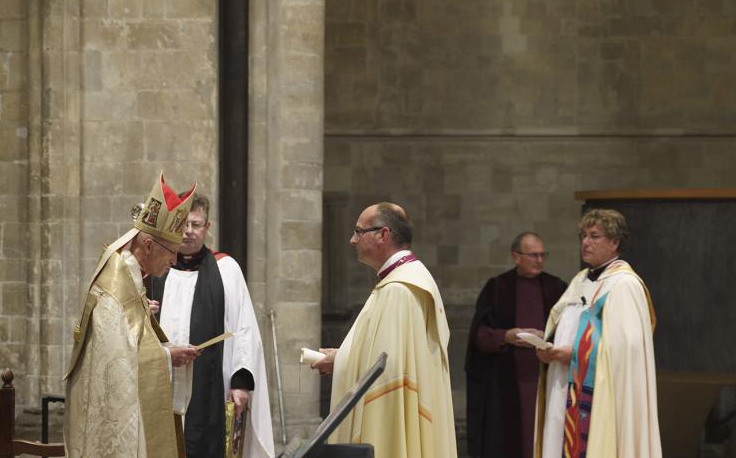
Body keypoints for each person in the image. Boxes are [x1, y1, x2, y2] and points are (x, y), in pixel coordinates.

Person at [64, 172, 201, 458]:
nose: (175, 261)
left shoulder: (132, 279)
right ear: (148, 246)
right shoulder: (114, 289)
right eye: (172, 252)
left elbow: (130, 349)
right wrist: (167, 356)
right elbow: (115, 375)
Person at [311, 202, 458, 458]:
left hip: (392, 418)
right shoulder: (405, 280)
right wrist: (345, 355)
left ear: (383, 235)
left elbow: (388, 372)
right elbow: (387, 354)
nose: (352, 240)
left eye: (359, 231)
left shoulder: (399, 290)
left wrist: (340, 360)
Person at [148, 194, 275, 458]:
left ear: (207, 227)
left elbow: (244, 328)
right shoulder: (155, 270)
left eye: (196, 225)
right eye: (183, 224)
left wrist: (240, 382)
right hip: (162, 382)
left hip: (211, 388)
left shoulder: (226, 269)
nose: (188, 232)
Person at [534, 209, 661, 458]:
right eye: (583, 235)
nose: (586, 242)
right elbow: (562, 322)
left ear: (614, 242)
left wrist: (574, 354)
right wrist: (546, 343)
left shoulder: (625, 284)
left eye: (594, 236)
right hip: (563, 382)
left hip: (600, 395)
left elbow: (626, 349)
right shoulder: (581, 279)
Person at [465, 232, 567, 458]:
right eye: (533, 255)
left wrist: (548, 336)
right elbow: (479, 336)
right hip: (507, 382)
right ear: (516, 257)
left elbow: (571, 329)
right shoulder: (497, 288)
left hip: (546, 380)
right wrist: (506, 336)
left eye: (542, 255)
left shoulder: (557, 288)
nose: (539, 260)